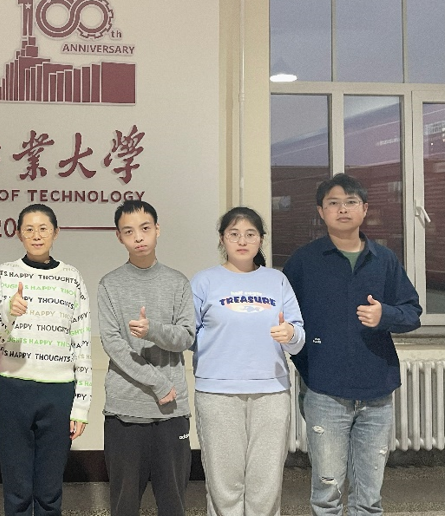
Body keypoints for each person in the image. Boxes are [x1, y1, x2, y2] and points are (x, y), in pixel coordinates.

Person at [283, 173, 422, 515]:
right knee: (327, 493)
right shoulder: (304, 261)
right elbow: (286, 320)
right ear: (321, 211)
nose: (342, 209)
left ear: (364, 209)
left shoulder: (384, 259)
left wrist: (385, 315)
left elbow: (412, 312)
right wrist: (309, 365)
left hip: (377, 391)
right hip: (324, 391)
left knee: (369, 496)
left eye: (350, 202)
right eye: (333, 203)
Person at [191, 206, 305, 516]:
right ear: (222, 239)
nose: (242, 241)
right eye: (234, 234)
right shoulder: (204, 281)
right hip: (217, 393)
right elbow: (187, 335)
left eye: (250, 234)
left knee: (265, 483)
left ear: (261, 240)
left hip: (271, 392)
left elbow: (298, 339)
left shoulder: (277, 280)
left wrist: (290, 333)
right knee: (224, 483)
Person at [0, 203, 91, 516]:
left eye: (43, 228)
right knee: (17, 490)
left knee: (49, 490)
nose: (37, 235)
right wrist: (7, 311)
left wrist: (81, 406)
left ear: (56, 233)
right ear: (19, 234)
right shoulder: (5, 274)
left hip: (59, 393)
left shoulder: (71, 278)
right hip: (12, 390)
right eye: (29, 229)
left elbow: (81, 343)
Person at [97, 200, 194, 516]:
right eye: (128, 231)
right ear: (119, 237)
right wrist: (159, 383)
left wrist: (153, 331)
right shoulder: (109, 284)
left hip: (171, 413)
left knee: (174, 505)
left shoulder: (178, 282)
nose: (138, 237)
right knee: (124, 506)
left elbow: (186, 337)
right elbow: (113, 344)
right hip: (125, 412)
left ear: (157, 230)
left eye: (145, 228)